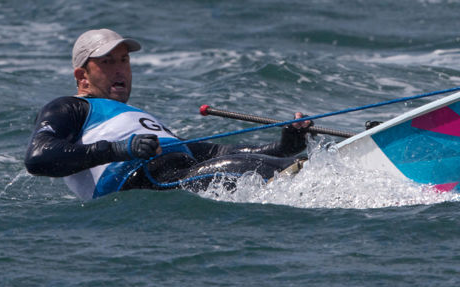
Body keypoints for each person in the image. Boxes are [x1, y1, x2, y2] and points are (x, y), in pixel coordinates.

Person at [25, 28, 310, 200]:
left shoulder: (134, 116)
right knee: (257, 170)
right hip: (143, 184)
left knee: (288, 163)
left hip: (183, 173)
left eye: (124, 60)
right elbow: (38, 157)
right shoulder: (70, 107)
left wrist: (284, 145)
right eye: (107, 62)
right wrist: (119, 149)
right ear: (82, 76)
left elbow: (215, 151)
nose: (120, 69)